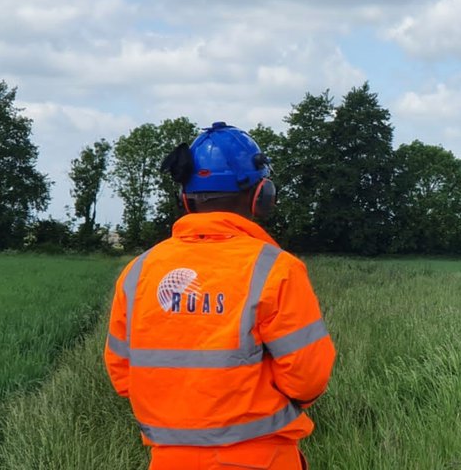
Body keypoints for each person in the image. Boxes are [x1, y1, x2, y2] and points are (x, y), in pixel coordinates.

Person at [104, 121, 336, 470]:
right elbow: (307, 378)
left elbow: (123, 375)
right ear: (261, 196)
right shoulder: (276, 269)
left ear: (185, 198)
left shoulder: (139, 271)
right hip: (263, 458)